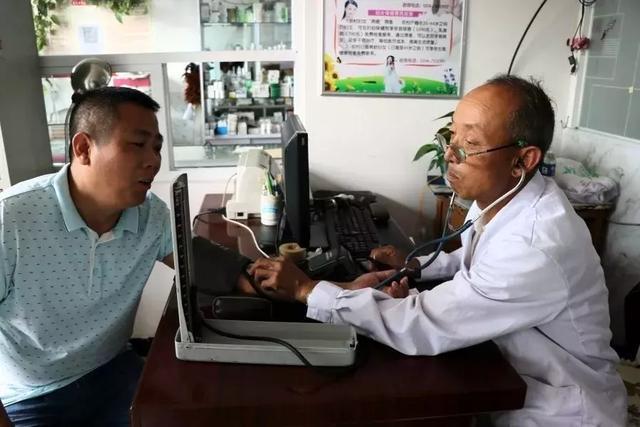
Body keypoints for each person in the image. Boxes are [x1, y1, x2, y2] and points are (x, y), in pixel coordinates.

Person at [249, 75, 628, 426]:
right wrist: (417, 268)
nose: (450, 155)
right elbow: (480, 264)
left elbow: (421, 324)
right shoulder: (505, 197)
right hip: (512, 378)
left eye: (472, 144)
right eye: (453, 137)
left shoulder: (536, 242)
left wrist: (307, 291)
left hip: (559, 412)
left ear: (523, 160)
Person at [0, 87, 174, 426]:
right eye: (137, 144)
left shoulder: (152, 216)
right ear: (83, 148)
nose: (153, 160)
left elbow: (194, 262)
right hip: (31, 395)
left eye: (156, 147)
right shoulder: (12, 221)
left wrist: (271, 277)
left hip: (113, 370)